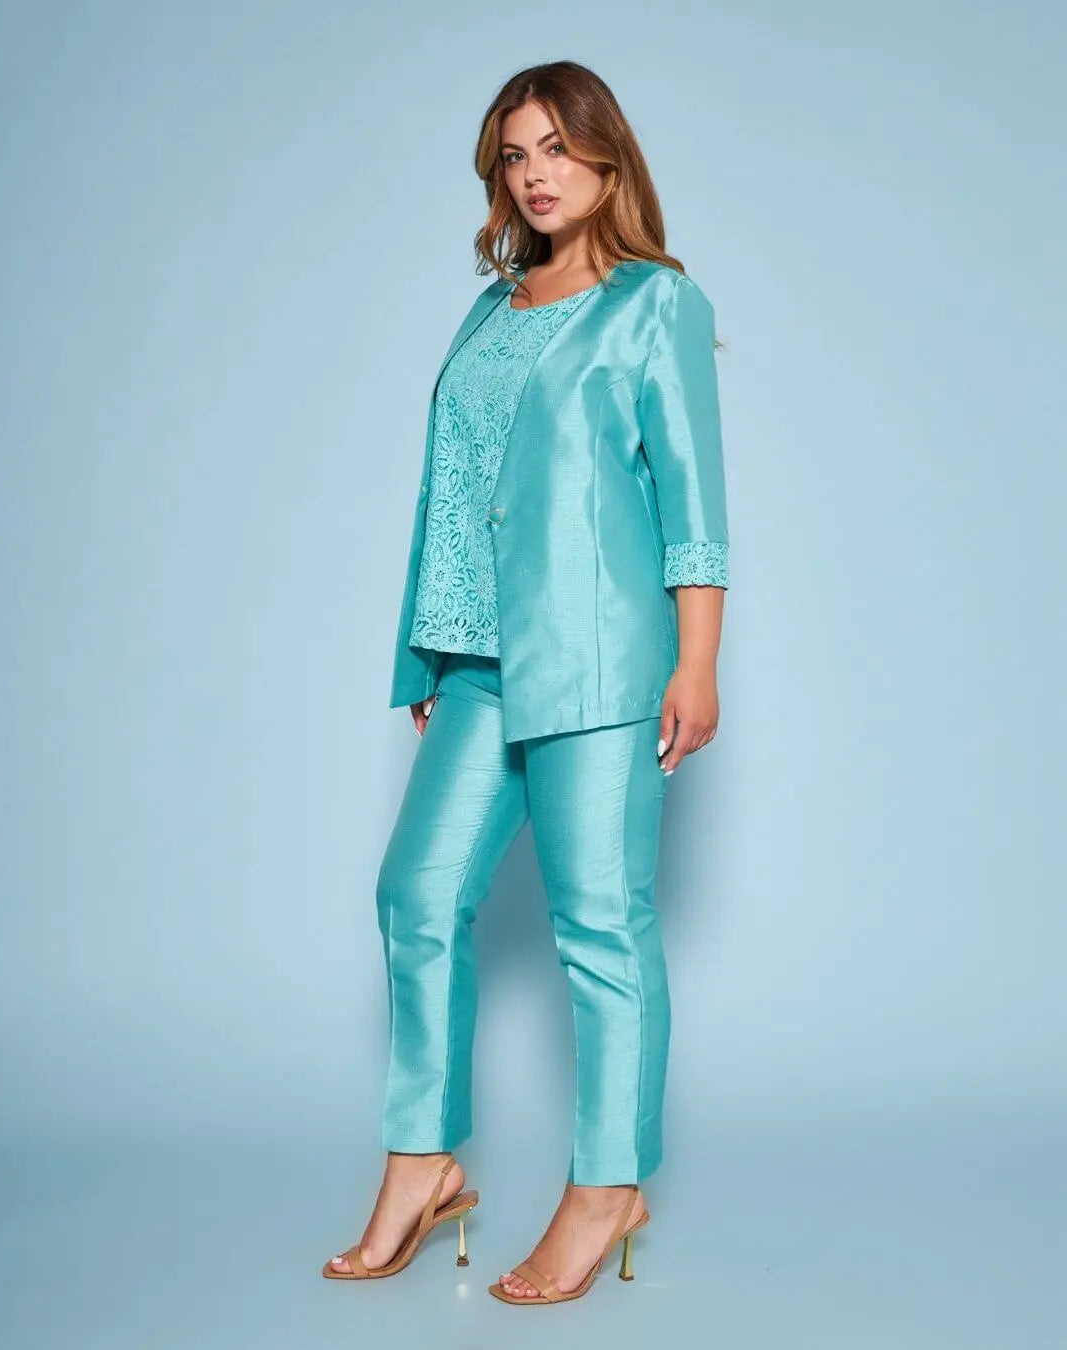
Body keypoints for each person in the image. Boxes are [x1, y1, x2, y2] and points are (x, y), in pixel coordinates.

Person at [322, 59, 729, 1306]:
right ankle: (423, 1160)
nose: (536, 173)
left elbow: (692, 501)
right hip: (479, 663)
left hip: (600, 660)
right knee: (417, 894)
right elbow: (458, 484)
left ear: (607, 156)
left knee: (599, 922)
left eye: (557, 147)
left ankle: (608, 1187)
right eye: (515, 154)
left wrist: (698, 661)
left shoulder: (654, 303)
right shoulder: (491, 308)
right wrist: (434, 640)